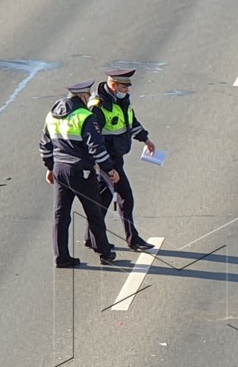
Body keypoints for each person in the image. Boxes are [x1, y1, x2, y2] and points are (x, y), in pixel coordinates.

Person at [40, 79, 119, 267]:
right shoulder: (85, 116)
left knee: (61, 215)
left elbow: (45, 145)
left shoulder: (52, 115)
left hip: (60, 169)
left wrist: (50, 167)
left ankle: (61, 257)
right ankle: (105, 253)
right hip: (81, 171)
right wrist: (109, 169)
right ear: (83, 96)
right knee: (94, 212)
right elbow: (96, 148)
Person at [91, 67, 158, 252]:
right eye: (123, 87)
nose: (127, 90)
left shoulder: (122, 101)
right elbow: (93, 139)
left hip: (115, 156)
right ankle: (133, 239)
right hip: (106, 159)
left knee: (103, 198)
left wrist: (145, 139)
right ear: (113, 85)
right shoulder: (98, 106)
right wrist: (106, 166)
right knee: (125, 198)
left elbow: (131, 123)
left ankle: (91, 237)